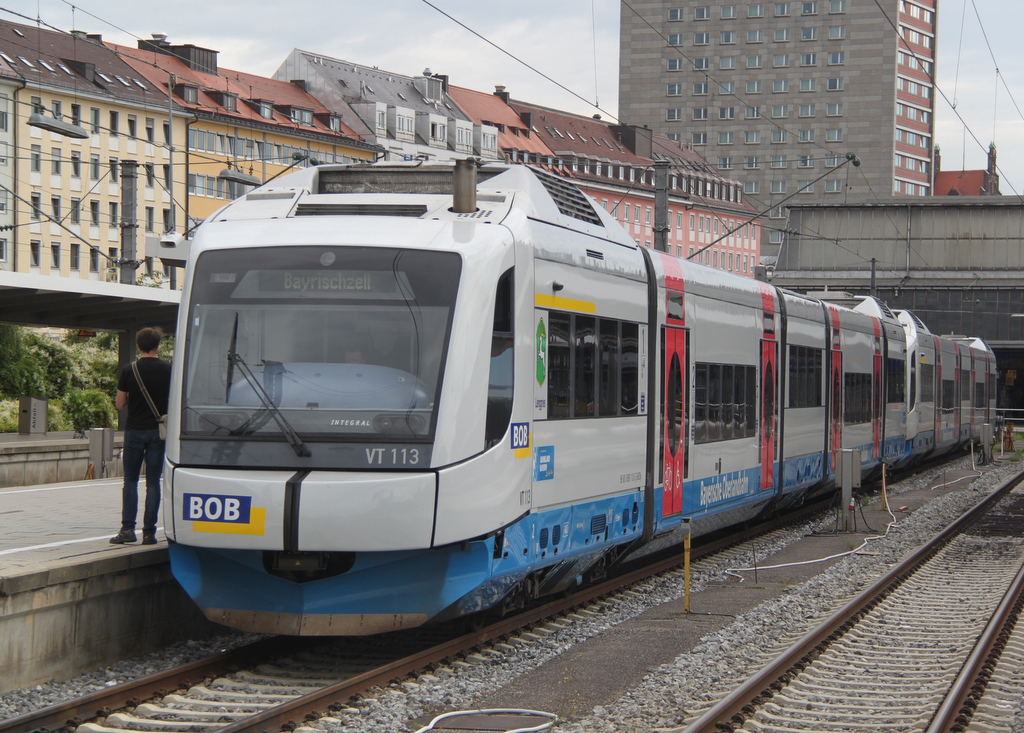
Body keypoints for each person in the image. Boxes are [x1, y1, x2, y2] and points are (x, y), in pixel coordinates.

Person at [110, 327, 172, 546]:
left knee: (130, 481)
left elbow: (119, 403)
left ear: (138, 346)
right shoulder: (168, 369)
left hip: (134, 430)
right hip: (158, 431)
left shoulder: (130, 369)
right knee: (153, 482)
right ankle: (149, 533)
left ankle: (127, 530)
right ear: (157, 346)